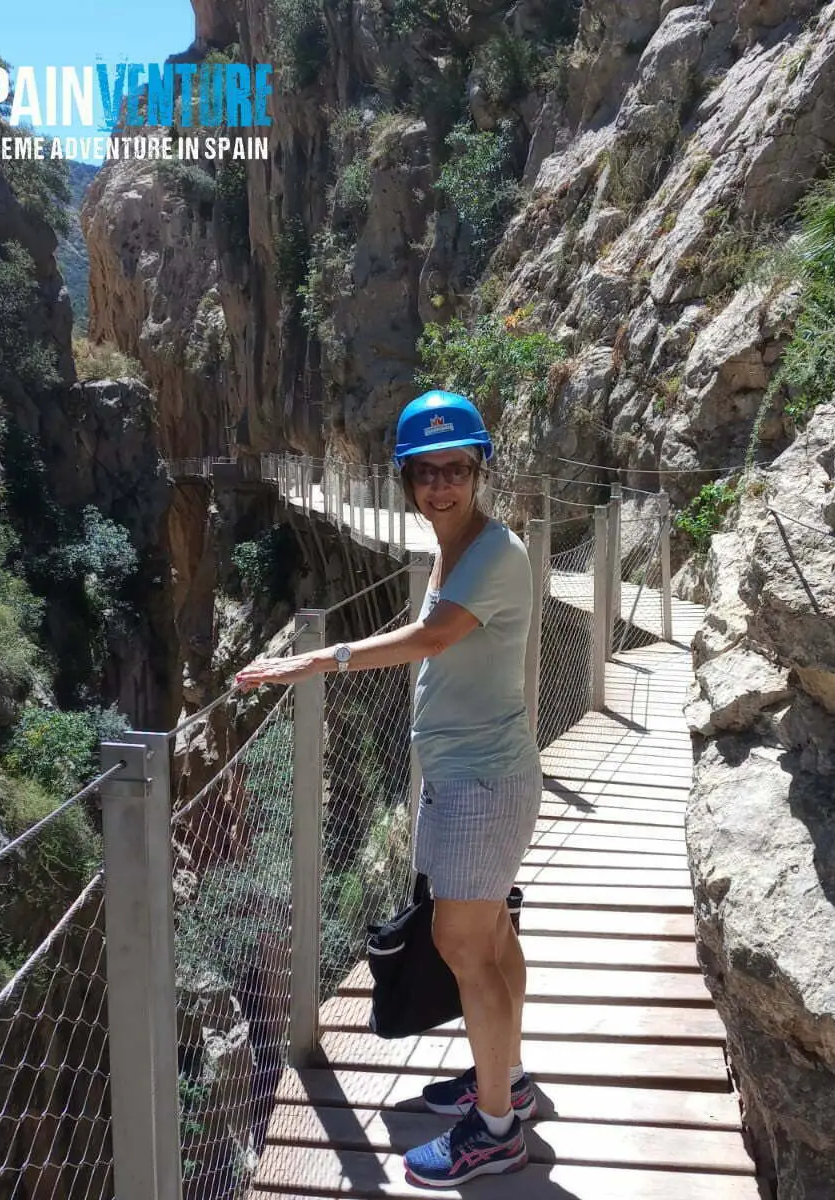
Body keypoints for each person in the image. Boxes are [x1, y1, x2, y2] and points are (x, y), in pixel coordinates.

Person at [234, 390, 542, 1187]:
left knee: (464, 947)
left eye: (457, 470)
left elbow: (432, 638)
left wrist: (316, 660)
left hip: (481, 782)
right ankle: (502, 1083)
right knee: (494, 941)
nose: (442, 486)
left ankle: (498, 1130)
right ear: (404, 478)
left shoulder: (495, 554)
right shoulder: (453, 543)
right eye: (426, 472)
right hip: (466, 777)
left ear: (481, 470)